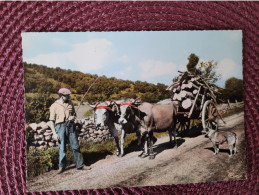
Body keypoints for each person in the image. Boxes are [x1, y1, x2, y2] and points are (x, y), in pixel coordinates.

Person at [49, 88, 91, 174]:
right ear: (61, 95)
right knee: (62, 148)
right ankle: (61, 167)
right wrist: (54, 133)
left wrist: (73, 118)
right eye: (66, 95)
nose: (68, 96)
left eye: (68, 95)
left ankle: (80, 165)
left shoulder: (70, 103)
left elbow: (74, 115)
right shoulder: (54, 106)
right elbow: (51, 121)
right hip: (60, 127)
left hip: (71, 126)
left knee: (75, 146)